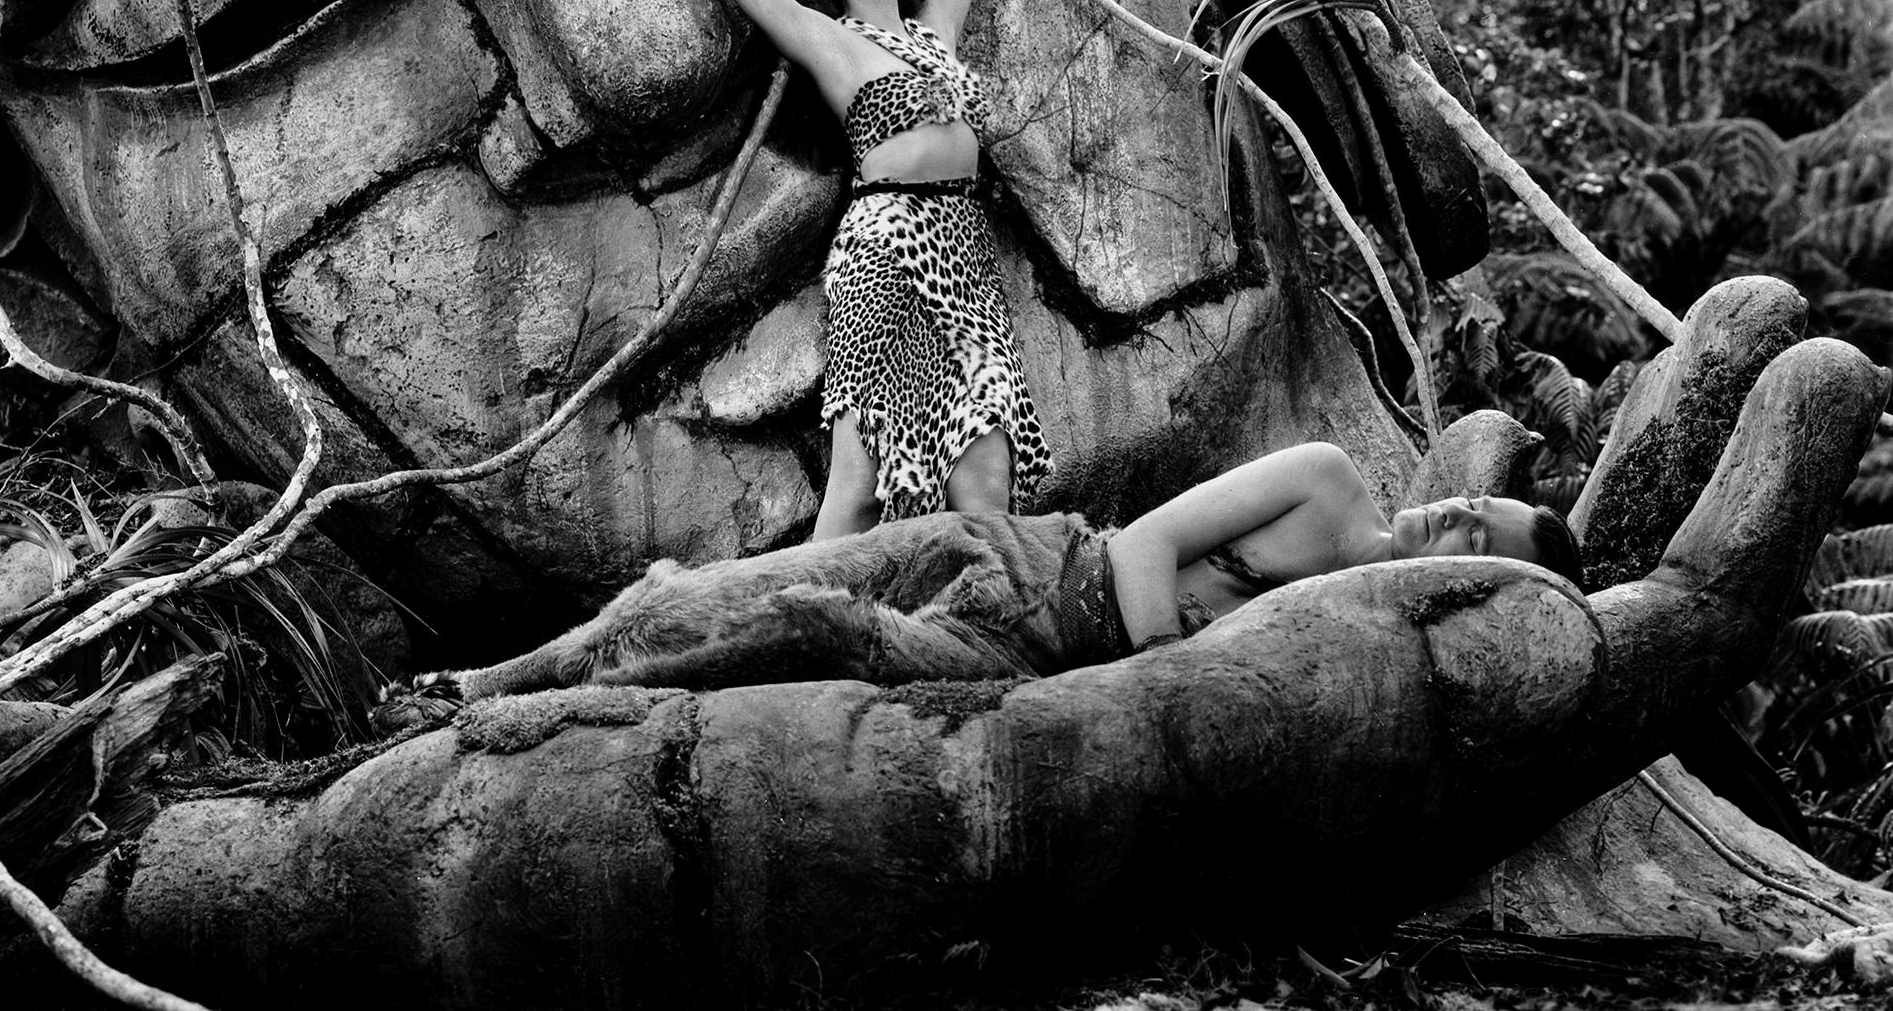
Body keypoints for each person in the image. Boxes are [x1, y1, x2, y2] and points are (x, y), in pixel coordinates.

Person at [408, 441, 1585, 702]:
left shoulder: (1374, 644)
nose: (1453, 515)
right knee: (697, 595)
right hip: (1011, 559)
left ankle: (555, 705)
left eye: (1477, 541)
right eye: (1473, 503)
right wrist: (1172, 659)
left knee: (802, 638)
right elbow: (1145, 543)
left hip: (1017, 664)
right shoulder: (1329, 486)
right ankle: (485, 679)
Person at [686, 0, 1051, 539]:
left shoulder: (939, 28)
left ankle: (987, 639)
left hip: (961, 249)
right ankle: (790, 632)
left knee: (986, 476)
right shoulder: (827, 39)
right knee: (859, 481)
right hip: (885, 247)